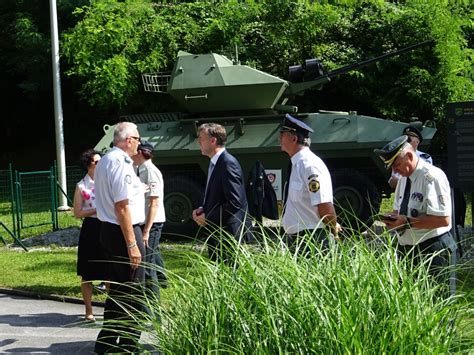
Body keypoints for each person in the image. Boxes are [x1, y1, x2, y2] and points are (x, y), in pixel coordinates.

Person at [374, 135, 457, 284]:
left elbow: (443, 220)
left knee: (436, 302)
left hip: (432, 251)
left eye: (397, 164)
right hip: (408, 250)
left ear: (410, 156)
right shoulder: (403, 179)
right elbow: (399, 211)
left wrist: (406, 223)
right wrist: (392, 218)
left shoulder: (432, 178)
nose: (395, 170)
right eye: (392, 167)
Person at [93, 122, 146, 353]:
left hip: (108, 230)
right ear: (128, 140)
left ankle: (106, 342)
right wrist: (132, 244)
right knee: (134, 292)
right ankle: (128, 344)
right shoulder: (121, 163)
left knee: (119, 291)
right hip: (122, 231)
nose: (139, 143)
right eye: (137, 138)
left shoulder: (105, 160)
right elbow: (122, 207)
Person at [279, 114, 340, 252]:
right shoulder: (297, 163)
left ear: (294, 139)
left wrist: (333, 228)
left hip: (312, 239)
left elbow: (324, 204)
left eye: (282, 134)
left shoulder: (309, 165)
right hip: (300, 238)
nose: (279, 138)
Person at [192, 123, 248, 262]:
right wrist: (202, 208)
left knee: (229, 275)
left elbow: (235, 202)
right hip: (218, 230)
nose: (199, 141)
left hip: (227, 232)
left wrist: (208, 217)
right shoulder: (216, 163)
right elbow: (217, 195)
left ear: (213, 141)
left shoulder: (228, 163)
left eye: (201, 138)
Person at [73, 149, 107, 322]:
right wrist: (96, 209)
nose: (100, 164)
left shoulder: (106, 182)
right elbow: (77, 212)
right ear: (89, 165)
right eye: (96, 162)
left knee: (109, 270)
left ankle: (112, 309)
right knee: (87, 274)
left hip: (106, 226)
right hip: (91, 228)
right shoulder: (81, 186)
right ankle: (89, 311)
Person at [132, 140, 167, 294]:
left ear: (140, 152)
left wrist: (146, 230)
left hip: (152, 222)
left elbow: (154, 203)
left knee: (147, 262)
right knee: (152, 252)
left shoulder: (151, 171)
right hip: (144, 221)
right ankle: (162, 279)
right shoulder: (139, 169)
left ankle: (152, 298)